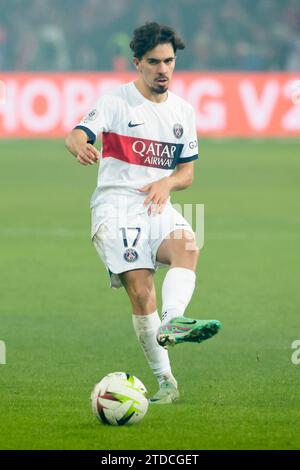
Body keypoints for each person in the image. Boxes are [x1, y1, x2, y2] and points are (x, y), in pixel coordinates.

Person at [65, 22, 221, 405]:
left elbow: (187, 173)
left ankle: (174, 321)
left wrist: (167, 183)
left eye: (169, 61)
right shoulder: (116, 102)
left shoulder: (182, 111)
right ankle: (166, 380)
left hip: (157, 203)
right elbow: (77, 133)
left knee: (188, 245)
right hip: (115, 208)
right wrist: (79, 146)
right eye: (153, 62)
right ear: (137, 63)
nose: (162, 69)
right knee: (141, 289)